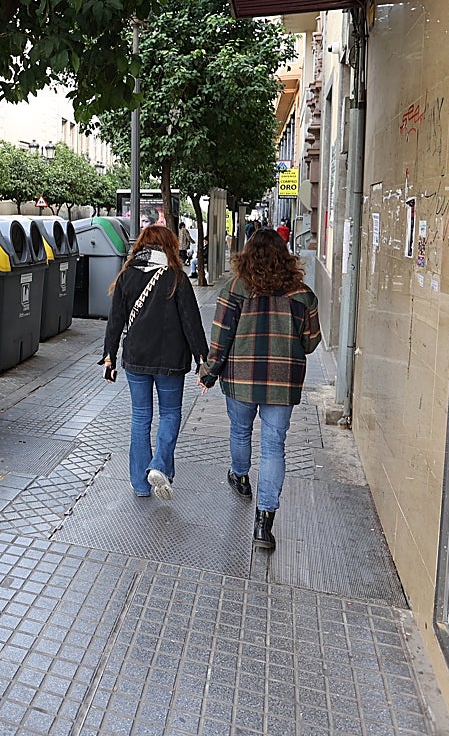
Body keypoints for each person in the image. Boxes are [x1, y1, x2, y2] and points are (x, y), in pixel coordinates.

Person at [198, 229, 321, 549]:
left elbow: (220, 339)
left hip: (241, 378)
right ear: (285, 256)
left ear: (247, 255)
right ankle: (264, 524)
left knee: (240, 431)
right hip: (282, 381)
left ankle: (240, 478)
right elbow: (311, 343)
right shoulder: (302, 295)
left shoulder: (234, 288)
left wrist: (209, 373)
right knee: (273, 446)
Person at [102, 226, 209, 500]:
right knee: (170, 414)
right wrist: (203, 360)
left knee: (140, 417)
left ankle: (140, 484)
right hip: (170, 360)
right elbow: (191, 322)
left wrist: (109, 356)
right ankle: (160, 465)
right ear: (169, 246)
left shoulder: (127, 276)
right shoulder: (176, 278)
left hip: (136, 358)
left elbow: (115, 321)